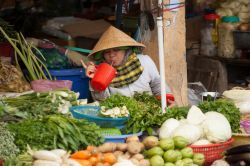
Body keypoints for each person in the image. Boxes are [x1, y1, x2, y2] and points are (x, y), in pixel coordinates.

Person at [82, 26, 174, 106]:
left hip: (150, 112)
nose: (111, 55)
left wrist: (166, 100)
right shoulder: (102, 71)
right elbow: (102, 103)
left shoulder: (144, 61)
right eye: (107, 52)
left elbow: (157, 84)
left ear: (126, 50)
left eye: (116, 50)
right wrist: (96, 80)